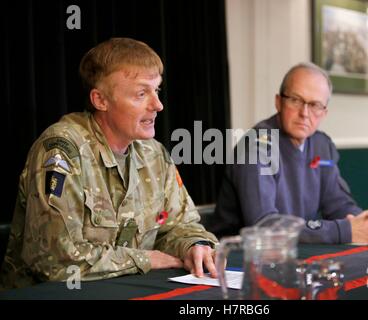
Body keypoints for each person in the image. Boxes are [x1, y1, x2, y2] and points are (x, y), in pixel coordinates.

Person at [0, 38, 218, 290]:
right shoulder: (62, 151)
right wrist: (145, 259)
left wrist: (193, 246)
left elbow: (179, 226)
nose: (158, 105)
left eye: (156, 90)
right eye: (141, 93)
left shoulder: (154, 154)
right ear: (100, 100)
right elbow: (55, 260)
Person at [213, 62, 368, 244]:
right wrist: (343, 231)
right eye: (296, 100)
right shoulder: (257, 146)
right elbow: (263, 226)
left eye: (315, 105)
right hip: (235, 259)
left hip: (292, 252)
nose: (304, 113)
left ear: (324, 113)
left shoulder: (322, 144)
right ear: (278, 102)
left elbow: (338, 204)